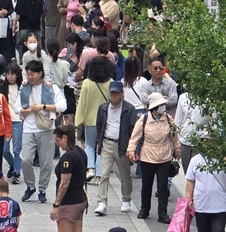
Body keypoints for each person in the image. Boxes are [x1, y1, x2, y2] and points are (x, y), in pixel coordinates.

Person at [128, 93, 181, 223]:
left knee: (163, 187)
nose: (163, 107)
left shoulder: (168, 119)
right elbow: (135, 137)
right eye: (160, 105)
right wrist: (131, 150)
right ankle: (144, 209)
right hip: (147, 156)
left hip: (164, 157)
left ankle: (162, 213)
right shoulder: (144, 119)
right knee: (146, 185)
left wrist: (177, 150)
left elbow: (174, 137)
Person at [47, 124, 88, 232]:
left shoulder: (67, 158)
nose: (58, 144)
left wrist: (56, 205)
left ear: (65, 138)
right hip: (81, 200)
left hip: (68, 203)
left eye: (58, 141)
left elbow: (64, 183)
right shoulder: (81, 152)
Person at [20, 59, 66, 203]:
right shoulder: (25, 88)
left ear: (40, 73)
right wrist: (27, 110)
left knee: (46, 162)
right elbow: (17, 108)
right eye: (28, 74)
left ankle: (42, 189)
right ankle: (30, 186)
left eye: (32, 73)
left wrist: (43, 107)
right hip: (28, 129)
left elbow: (62, 105)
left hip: (46, 128)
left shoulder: (51, 88)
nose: (30, 76)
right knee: (26, 159)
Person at [93, 82, 137, 216]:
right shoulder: (103, 108)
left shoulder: (129, 109)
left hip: (122, 145)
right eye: (112, 93)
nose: (114, 96)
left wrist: (131, 147)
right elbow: (99, 126)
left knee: (125, 174)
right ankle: (102, 202)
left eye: (117, 93)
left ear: (122, 94)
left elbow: (133, 128)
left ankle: (126, 199)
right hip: (106, 142)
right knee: (104, 173)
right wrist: (98, 143)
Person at [75, 57, 115, 178]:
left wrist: (78, 120)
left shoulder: (87, 83)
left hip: (90, 120)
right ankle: (99, 173)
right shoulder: (110, 82)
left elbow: (82, 103)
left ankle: (90, 169)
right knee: (102, 147)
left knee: (89, 145)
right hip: (106, 121)